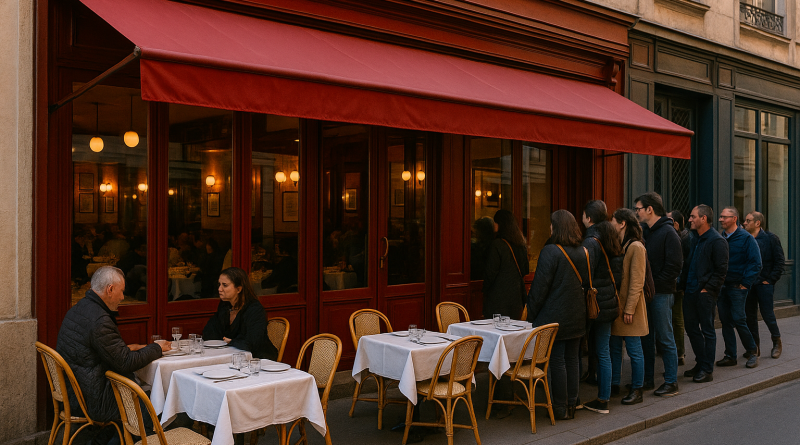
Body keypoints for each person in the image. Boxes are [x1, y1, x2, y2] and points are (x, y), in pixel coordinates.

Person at [57, 266, 171, 444]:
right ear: (110, 289)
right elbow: (125, 362)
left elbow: (96, 350)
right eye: (122, 291)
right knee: (153, 407)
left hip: (75, 390)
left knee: (141, 394)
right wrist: (156, 347)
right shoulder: (100, 320)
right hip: (93, 398)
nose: (123, 298)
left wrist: (130, 348)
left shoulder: (80, 308)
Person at [526, 210, 589, 420]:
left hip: (555, 316)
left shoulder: (550, 251)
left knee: (557, 362)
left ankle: (559, 407)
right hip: (578, 315)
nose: (550, 228)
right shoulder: (582, 251)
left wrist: (530, 315)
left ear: (557, 227)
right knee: (572, 359)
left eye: (552, 225)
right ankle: (572, 404)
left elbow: (539, 288)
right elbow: (587, 284)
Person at [634, 192, 681, 396]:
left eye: (639, 209)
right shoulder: (646, 231)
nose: (637, 212)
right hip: (648, 294)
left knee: (665, 337)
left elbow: (675, 266)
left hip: (661, 294)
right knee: (646, 337)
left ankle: (671, 382)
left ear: (650, 209)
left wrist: (655, 285)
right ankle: (647, 379)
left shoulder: (669, 233)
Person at [680, 205, 728, 383]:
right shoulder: (694, 238)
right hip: (690, 292)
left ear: (704, 219)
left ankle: (707, 370)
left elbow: (721, 270)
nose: (690, 219)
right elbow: (689, 265)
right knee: (691, 329)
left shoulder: (717, 241)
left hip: (704, 294)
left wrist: (707, 289)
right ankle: (701, 363)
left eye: (693, 217)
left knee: (707, 330)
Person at [581, 220, 623, 414]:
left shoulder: (594, 246)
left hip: (596, 305)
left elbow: (586, 274)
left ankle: (598, 398)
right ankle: (604, 398)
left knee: (595, 351)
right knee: (604, 351)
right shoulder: (615, 251)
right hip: (609, 305)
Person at [609, 208, 648, 405]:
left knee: (634, 350)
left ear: (623, 223)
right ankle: (614, 383)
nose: (611, 224)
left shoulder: (636, 247)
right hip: (618, 308)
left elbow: (637, 281)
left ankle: (637, 389)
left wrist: (630, 309)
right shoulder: (622, 245)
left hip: (629, 309)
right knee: (615, 348)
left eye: (613, 220)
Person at [715, 207, 762, 368]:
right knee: (725, 321)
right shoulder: (720, 237)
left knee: (739, 319)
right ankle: (730, 356)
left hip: (737, 287)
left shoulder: (746, 238)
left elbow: (756, 263)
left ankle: (753, 351)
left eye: (724, 217)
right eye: (720, 217)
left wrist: (745, 284)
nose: (721, 219)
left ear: (734, 219)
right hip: (722, 287)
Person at [204, 267, 278, 360]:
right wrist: (227, 341)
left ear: (238, 289)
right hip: (231, 357)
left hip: (258, 360)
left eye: (225, 285)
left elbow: (253, 343)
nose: (219, 289)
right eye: (219, 284)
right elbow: (209, 331)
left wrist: (231, 341)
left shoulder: (254, 310)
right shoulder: (225, 305)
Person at [743, 211, 785, 359]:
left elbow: (779, 261)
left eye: (748, 221)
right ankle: (755, 348)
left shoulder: (771, 238)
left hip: (764, 283)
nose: (745, 223)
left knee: (768, 314)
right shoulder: (745, 238)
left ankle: (777, 342)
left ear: (757, 223)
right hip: (749, 284)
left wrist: (771, 280)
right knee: (750, 316)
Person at [580, 200, 609, 386]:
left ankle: (602, 392)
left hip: (596, 298)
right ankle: (603, 382)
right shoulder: (608, 235)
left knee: (599, 347)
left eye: (583, 215)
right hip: (607, 297)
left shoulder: (591, 241)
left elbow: (586, 271)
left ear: (589, 218)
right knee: (603, 346)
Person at [483, 209, 529, 320]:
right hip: (516, 300)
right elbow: (526, 269)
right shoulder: (521, 245)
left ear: (500, 224)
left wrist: (485, 290)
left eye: (495, 221)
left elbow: (490, 273)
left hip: (498, 301)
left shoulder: (497, 245)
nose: (493, 224)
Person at [669, 210, 690, 365]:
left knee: (677, 317)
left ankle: (679, 352)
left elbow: (686, 264)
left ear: (676, 224)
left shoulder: (685, 239)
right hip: (672, 283)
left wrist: (681, 284)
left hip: (677, 285)